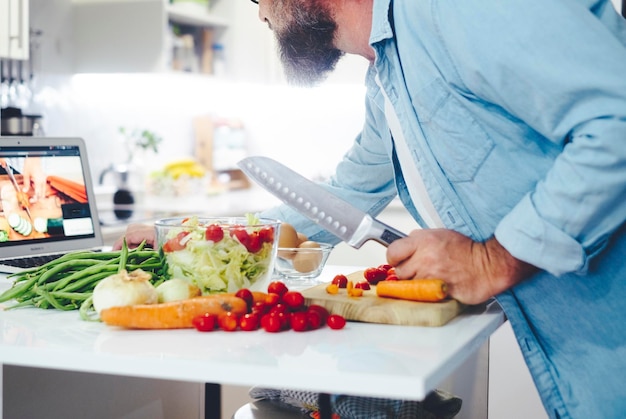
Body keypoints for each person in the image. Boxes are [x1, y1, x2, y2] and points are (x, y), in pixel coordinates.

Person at [116, 0, 626, 417]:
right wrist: (196, 237)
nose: (259, 14)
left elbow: (616, 123)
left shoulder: (454, 10)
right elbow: (349, 193)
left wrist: (490, 261)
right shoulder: (389, 69)